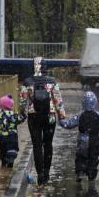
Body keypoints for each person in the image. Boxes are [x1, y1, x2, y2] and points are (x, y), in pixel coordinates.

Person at [20, 57, 66, 185]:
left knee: (37, 145)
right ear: (45, 67)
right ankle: (46, 172)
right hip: (50, 116)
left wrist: (22, 114)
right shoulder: (52, 81)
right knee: (48, 144)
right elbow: (58, 100)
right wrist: (61, 115)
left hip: (33, 116)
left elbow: (23, 101)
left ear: (33, 66)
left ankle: (39, 173)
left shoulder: (27, 82)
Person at [59, 91, 99, 182]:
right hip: (94, 141)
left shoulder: (80, 115)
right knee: (93, 159)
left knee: (80, 158)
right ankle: (91, 176)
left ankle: (79, 172)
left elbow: (68, 124)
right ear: (95, 103)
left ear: (83, 103)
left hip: (82, 142)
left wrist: (61, 119)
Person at [0, 94, 26, 167]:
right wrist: (23, 114)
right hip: (12, 136)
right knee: (11, 150)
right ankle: (10, 163)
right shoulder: (13, 115)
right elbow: (20, 119)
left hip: (1, 136)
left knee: (3, 150)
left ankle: (3, 162)